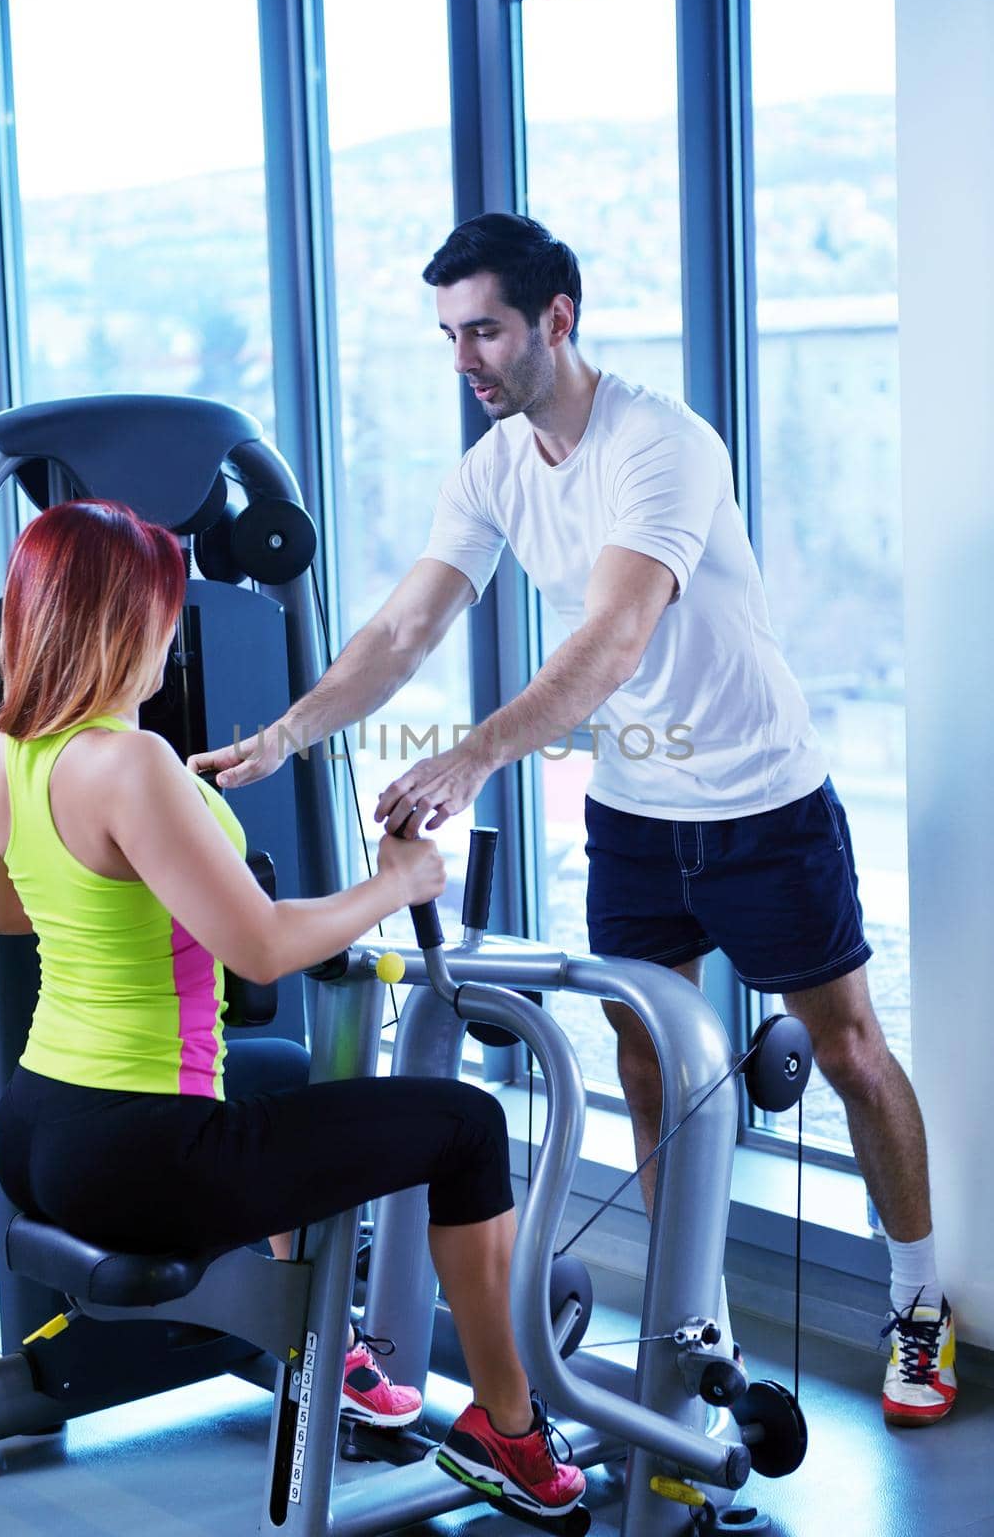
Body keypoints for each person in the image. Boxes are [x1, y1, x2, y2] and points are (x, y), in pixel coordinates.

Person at [190, 212, 956, 1429]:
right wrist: (290, 733)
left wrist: (475, 757)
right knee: (648, 1055)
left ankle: (920, 1307)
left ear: (560, 315)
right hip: (634, 813)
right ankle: (694, 1312)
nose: (464, 360)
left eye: (484, 328)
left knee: (852, 1049)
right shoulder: (495, 467)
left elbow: (613, 638)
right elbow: (403, 631)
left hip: (760, 796)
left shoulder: (661, 446)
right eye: (448, 334)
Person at [0, 498, 585, 1522]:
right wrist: (402, 881)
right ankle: (509, 1433)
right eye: (163, 611)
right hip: (143, 1154)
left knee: (289, 1081)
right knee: (467, 1123)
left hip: (41, 1130)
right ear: (124, 623)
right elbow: (260, 945)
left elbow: (7, 912)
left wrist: (152, 855)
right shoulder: (132, 763)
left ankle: (330, 1346)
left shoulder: (5, 754)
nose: (172, 630)